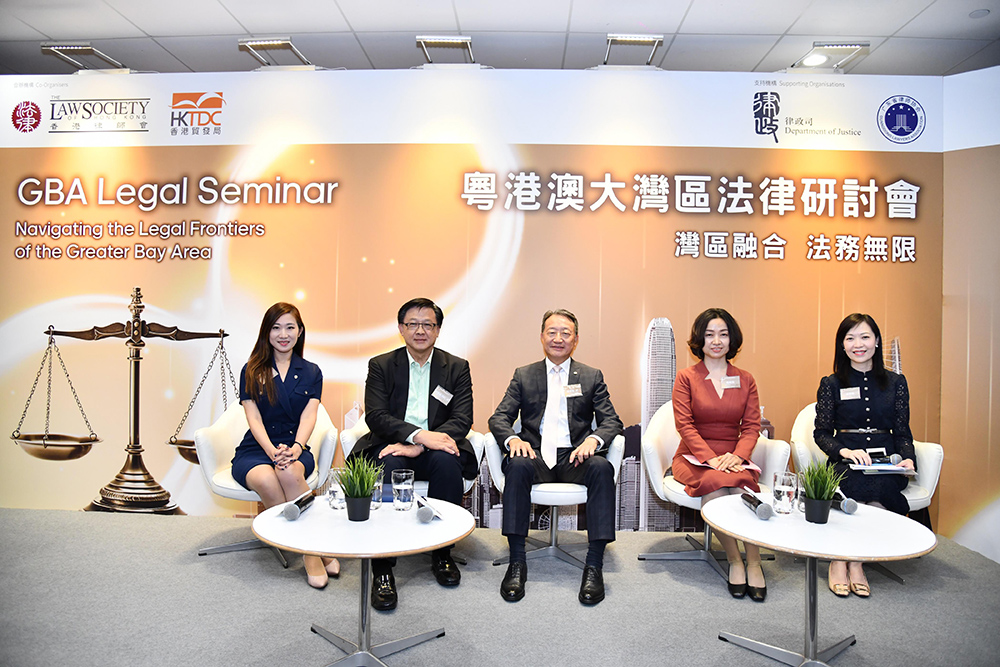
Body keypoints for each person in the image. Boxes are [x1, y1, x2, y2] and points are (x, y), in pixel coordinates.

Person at [489, 309, 623, 605]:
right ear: (541, 337)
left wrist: (593, 440)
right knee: (517, 465)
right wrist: (513, 439)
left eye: (566, 333)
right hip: (535, 454)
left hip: (575, 456)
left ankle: (594, 565)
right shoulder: (524, 375)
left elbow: (611, 421)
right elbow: (499, 418)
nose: (558, 338)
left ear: (576, 339)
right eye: (552, 332)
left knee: (601, 468)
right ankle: (517, 562)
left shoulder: (591, 376)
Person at [353, 297, 477, 611]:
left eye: (428, 325)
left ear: (438, 330)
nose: (420, 331)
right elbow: (376, 416)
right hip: (393, 444)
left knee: (447, 463)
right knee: (387, 464)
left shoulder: (457, 367)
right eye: (413, 324)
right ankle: (383, 566)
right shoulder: (381, 365)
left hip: (435, 448)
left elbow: (462, 419)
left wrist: (420, 446)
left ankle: (442, 553)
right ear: (401, 328)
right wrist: (418, 436)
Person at [233, 302, 339, 589]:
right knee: (267, 479)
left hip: (295, 446)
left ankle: (307, 548)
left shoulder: (311, 371)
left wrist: (296, 447)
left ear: (300, 331)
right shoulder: (251, 369)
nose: (283, 334)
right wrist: (270, 451)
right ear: (266, 332)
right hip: (257, 448)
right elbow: (253, 417)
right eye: (276, 327)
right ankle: (312, 551)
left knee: (289, 472)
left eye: (290, 327)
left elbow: (309, 415)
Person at [814, 313, 916, 598]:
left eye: (865, 337)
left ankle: (855, 563)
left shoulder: (896, 382)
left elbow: (902, 432)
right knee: (854, 487)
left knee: (879, 488)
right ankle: (840, 561)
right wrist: (845, 451)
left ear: (877, 341)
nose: (858, 344)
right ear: (842, 345)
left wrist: (907, 458)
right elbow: (821, 433)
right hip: (846, 460)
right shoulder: (831, 384)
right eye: (850, 338)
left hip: (886, 462)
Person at [672, 308, 766, 602]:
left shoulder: (745, 379)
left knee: (742, 487)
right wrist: (709, 458)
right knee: (715, 484)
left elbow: (751, 427)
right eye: (709, 334)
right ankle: (735, 560)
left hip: (733, 455)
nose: (716, 341)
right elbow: (684, 425)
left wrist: (738, 456)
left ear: (731, 339)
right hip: (693, 456)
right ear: (699, 340)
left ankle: (754, 562)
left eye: (723, 335)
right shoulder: (686, 377)